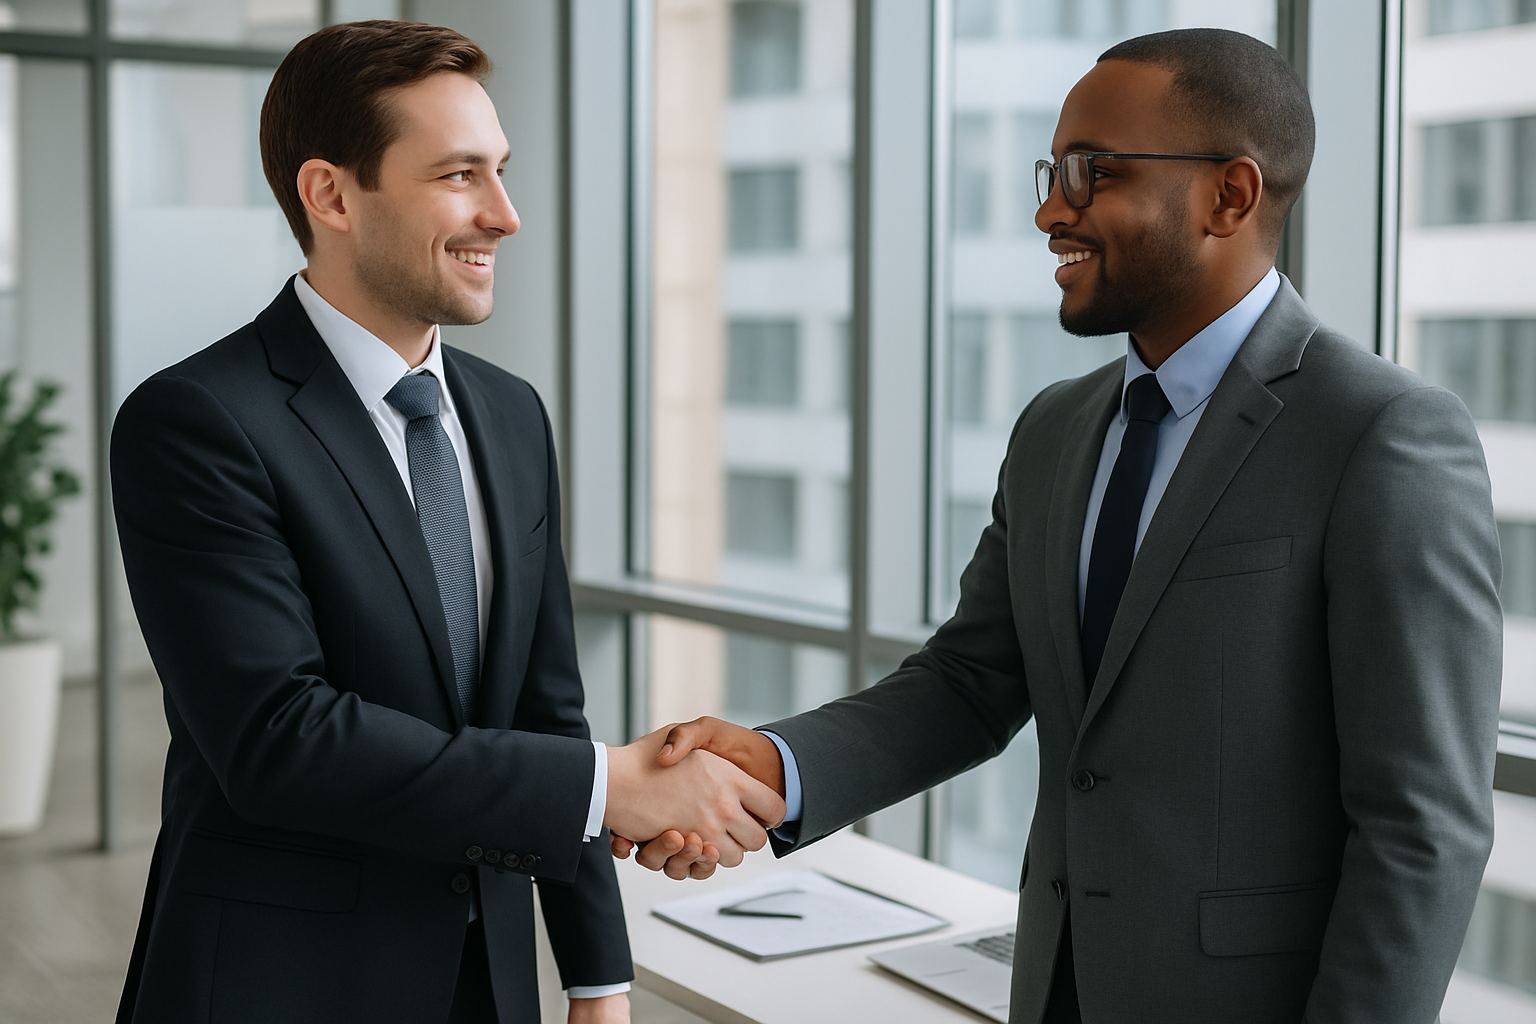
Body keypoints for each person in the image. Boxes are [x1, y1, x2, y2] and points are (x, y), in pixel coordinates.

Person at [619, 27, 1503, 1024]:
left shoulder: (1380, 434)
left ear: (1231, 195)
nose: (1050, 210)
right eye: (1053, 172)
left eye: (1091, 175)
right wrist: (778, 768)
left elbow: (1420, 824)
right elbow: (969, 682)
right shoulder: (1056, 428)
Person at [110, 21, 781, 1024]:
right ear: (331, 194)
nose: (505, 215)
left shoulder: (509, 414)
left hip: (489, 979)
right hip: (280, 981)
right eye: (460, 174)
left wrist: (598, 972)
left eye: (501, 170)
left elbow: (546, 706)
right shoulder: (198, 421)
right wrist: (610, 788)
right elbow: (279, 737)